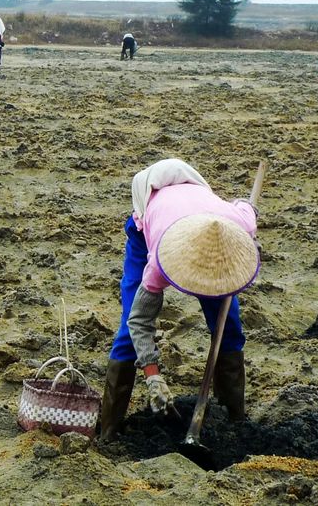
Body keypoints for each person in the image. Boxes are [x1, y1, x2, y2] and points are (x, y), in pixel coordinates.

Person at [100, 158, 259, 442]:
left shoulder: (239, 225)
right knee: (128, 328)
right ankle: (109, 432)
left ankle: (234, 423)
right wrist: (152, 376)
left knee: (229, 327)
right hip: (153, 218)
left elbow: (247, 208)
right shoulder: (161, 260)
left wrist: (251, 211)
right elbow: (140, 320)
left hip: (209, 221)